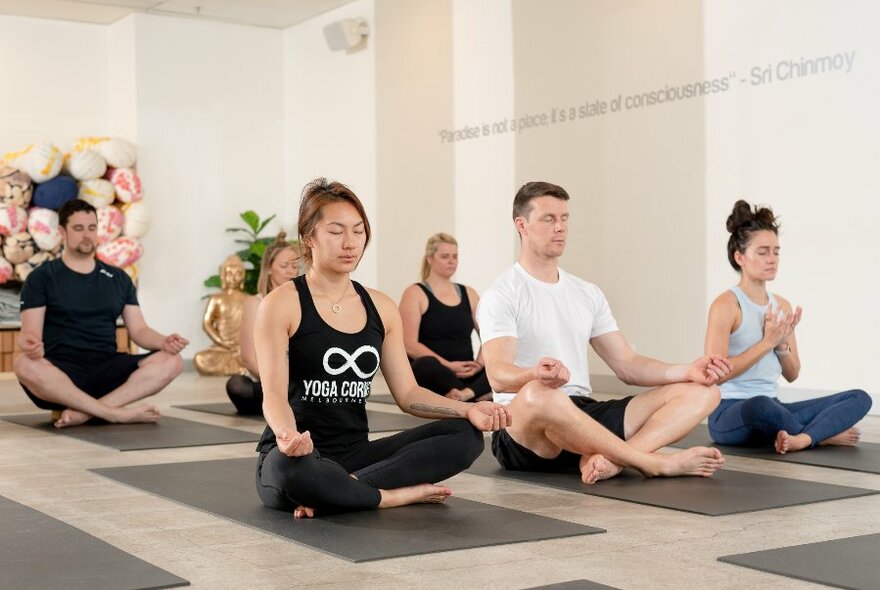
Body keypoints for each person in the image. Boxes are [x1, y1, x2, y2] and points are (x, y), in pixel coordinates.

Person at [254, 178, 511, 518]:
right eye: (336, 231)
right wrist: (288, 437)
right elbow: (273, 396)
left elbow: (407, 393)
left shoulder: (381, 307)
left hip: (357, 454)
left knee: (465, 436)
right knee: (292, 473)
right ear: (309, 237)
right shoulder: (282, 304)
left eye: (358, 232)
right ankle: (391, 496)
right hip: (299, 455)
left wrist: (468, 410)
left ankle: (345, 488)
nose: (350, 243)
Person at [478, 181, 730, 484]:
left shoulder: (587, 293)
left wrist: (687, 370)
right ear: (522, 225)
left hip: (582, 417)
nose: (560, 227)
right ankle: (652, 463)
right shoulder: (503, 293)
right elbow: (498, 375)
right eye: (548, 219)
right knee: (539, 394)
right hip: (525, 430)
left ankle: (610, 460)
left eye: (564, 218)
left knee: (704, 392)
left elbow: (627, 364)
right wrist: (534, 374)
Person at [704, 200, 872, 454]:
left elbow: (793, 374)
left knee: (859, 397)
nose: (772, 259)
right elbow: (715, 375)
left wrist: (781, 345)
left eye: (776, 252)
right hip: (731, 412)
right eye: (762, 252)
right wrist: (766, 343)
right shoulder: (726, 305)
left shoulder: (781, 305)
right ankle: (820, 435)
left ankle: (802, 438)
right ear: (740, 257)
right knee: (760, 405)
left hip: (775, 409)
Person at [13, 199, 188, 428]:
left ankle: (87, 412)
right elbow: (30, 334)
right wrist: (30, 345)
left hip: (107, 369)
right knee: (23, 364)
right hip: (61, 373)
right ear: (62, 232)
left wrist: (164, 341)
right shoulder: (42, 278)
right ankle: (114, 413)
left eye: (92, 228)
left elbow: (140, 331)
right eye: (78, 228)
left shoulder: (118, 278)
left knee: (172, 362)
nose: (87, 235)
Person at [399, 233, 491, 402]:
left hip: (469, 372)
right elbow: (409, 344)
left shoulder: (469, 293)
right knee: (424, 365)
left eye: (455, 256)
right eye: (445, 256)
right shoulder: (415, 293)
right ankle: (476, 395)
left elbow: (490, 335)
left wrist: (479, 364)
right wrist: (448, 365)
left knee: (502, 358)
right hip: (437, 373)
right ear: (429, 258)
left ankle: (464, 395)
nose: (452, 261)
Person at [226, 233, 303, 414]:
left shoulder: (305, 302)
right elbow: (248, 358)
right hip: (269, 383)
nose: (291, 272)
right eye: (284, 266)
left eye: (295, 266)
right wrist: (279, 385)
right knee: (237, 385)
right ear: (269, 268)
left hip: (302, 382)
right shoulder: (255, 303)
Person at [194, 254, 249, 376]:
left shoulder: (248, 299)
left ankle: (240, 365)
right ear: (223, 276)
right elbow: (206, 324)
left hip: (242, 348)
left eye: (238, 274)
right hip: (222, 348)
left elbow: (253, 325)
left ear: (243, 277)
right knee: (200, 359)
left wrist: (243, 345)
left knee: (254, 356)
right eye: (229, 274)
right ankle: (238, 368)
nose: (233, 278)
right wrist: (222, 342)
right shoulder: (216, 299)